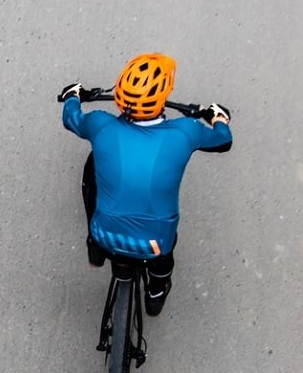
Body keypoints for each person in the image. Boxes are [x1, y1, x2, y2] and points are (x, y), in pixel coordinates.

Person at [57, 53, 232, 316]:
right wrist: (218, 117)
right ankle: (157, 288)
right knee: (164, 251)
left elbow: (71, 118)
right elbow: (223, 140)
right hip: (155, 242)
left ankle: (94, 248)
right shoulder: (186, 131)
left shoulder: (100, 125)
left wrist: (73, 95)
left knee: (93, 166)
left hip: (104, 233)